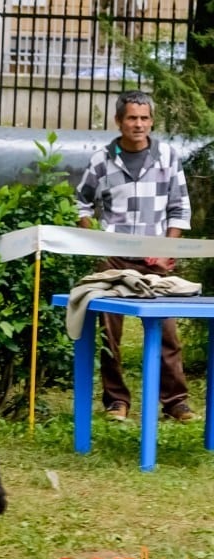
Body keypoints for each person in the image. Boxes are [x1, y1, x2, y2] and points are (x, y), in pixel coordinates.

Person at [76, 90, 196, 423]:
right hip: (113, 259)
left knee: (166, 329)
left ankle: (175, 402)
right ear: (119, 121)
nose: (138, 124)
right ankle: (116, 401)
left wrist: (167, 249)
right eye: (132, 118)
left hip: (155, 259)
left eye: (144, 118)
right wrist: (94, 238)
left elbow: (179, 207)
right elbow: (81, 202)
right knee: (107, 330)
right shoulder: (102, 160)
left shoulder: (168, 157)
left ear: (151, 121)